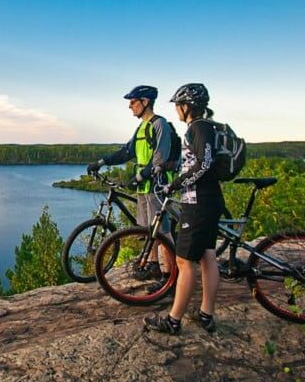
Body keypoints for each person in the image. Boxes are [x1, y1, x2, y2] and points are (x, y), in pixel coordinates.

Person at [144, 83, 224, 334]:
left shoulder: (198, 127)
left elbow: (204, 163)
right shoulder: (206, 127)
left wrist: (175, 185)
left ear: (187, 106)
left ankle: (174, 320)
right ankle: (206, 314)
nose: (176, 110)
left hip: (197, 202)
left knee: (183, 260)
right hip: (210, 200)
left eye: (178, 105)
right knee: (207, 255)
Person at [86, 85, 177, 280]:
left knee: (162, 231)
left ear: (145, 102)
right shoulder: (141, 128)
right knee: (147, 230)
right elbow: (127, 152)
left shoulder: (159, 125)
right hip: (144, 185)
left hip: (156, 184)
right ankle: (153, 265)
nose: (130, 106)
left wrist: (138, 177)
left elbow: (159, 159)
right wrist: (101, 162)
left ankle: (170, 277)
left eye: (133, 102)